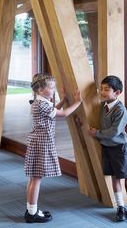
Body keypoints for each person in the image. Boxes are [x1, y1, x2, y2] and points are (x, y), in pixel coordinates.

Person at [24, 73, 82, 223]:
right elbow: (63, 113)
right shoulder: (42, 104)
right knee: (36, 179)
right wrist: (78, 102)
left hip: (38, 141)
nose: (53, 89)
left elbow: (54, 111)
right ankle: (31, 213)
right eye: (51, 87)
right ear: (41, 90)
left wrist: (63, 99)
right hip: (41, 143)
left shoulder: (41, 102)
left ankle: (32, 209)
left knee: (34, 178)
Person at [88, 75, 127, 222]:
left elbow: (114, 131)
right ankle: (120, 207)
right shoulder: (103, 106)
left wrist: (96, 133)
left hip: (120, 148)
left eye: (107, 89)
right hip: (107, 147)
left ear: (117, 93)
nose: (102, 92)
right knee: (114, 177)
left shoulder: (120, 110)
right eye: (101, 89)